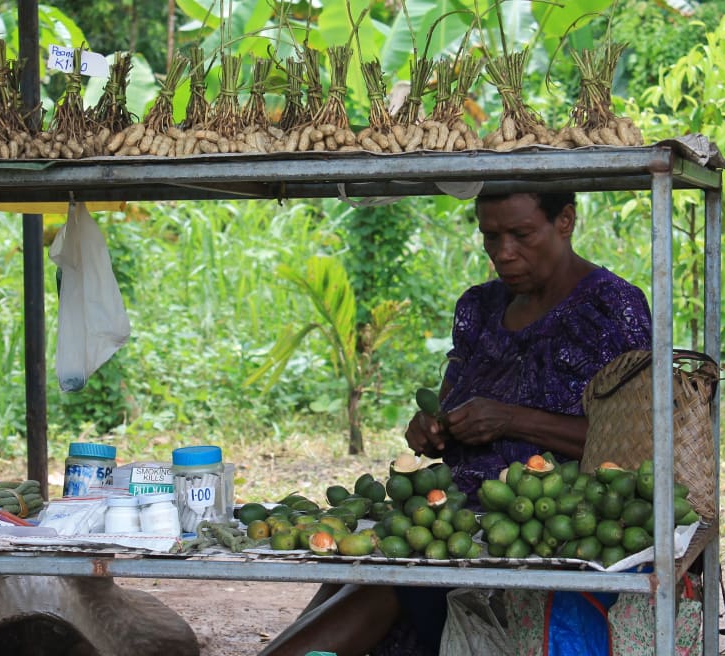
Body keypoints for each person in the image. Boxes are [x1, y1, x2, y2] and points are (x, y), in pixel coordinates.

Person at [258, 191, 652, 656]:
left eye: (521, 235)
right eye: (490, 236)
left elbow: (634, 447)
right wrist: (432, 430)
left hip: (544, 527)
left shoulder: (612, 307)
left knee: (387, 586)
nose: (503, 252)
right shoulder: (479, 308)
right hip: (450, 516)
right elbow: (451, 401)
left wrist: (511, 420)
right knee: (351, 572)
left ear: (565, 220)